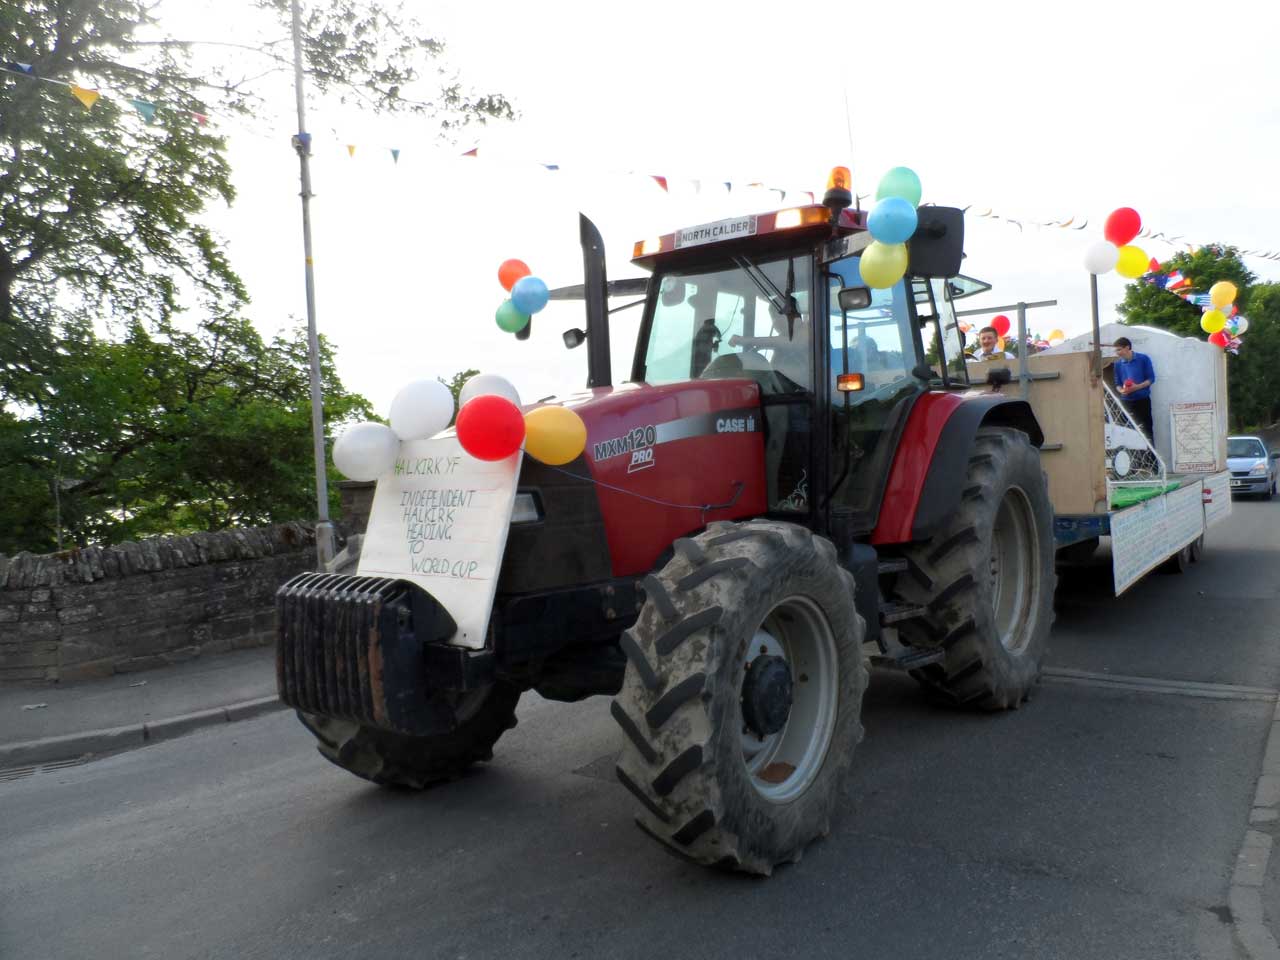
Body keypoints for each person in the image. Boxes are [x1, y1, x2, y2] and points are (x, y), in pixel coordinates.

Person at [1113, 336, 1156, 440]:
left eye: (1119, 349)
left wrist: (1136, 387)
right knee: (1128, 432)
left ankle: (1150, 456)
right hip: (1126, 402)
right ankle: (1134, 456)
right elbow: (1117, 384)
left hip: (1142, 401)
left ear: (1127, 347)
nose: (1117, 353)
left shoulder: (1143, 359)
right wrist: (1122, 390)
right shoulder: (1117, 364)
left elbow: (1151, 379)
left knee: (1146, 430)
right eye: (1116, 350)